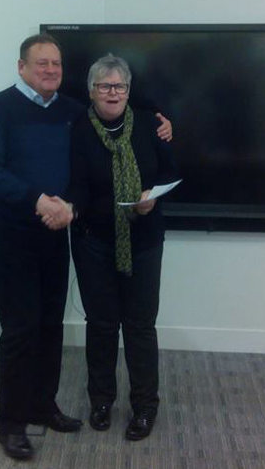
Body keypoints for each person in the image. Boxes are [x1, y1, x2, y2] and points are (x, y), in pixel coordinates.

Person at [0, 35, 172, 460]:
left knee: (51, 326)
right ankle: (11, 422)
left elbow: (116, 98)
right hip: (13, 235)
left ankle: (44, 407)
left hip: (55, 234)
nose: (50, 70)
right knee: (20, 330)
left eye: (57, 64)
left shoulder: (70, 111)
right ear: (21, 67)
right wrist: (37, 200)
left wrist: (162, 117)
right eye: (41, 63)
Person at [66, 54, 178, 441]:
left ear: (129, 90)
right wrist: (71, 207)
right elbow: (77, 184)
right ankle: (101, 401)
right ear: (91, 91)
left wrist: (152, 196)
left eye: (119, 86)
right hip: (93, 242)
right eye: (104, 86)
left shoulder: (150, 124)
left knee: (140, 326)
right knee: (101, 325)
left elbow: (171, 171)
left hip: (144, 241)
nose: (113, 93)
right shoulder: (79, 128)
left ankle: (145, 407)